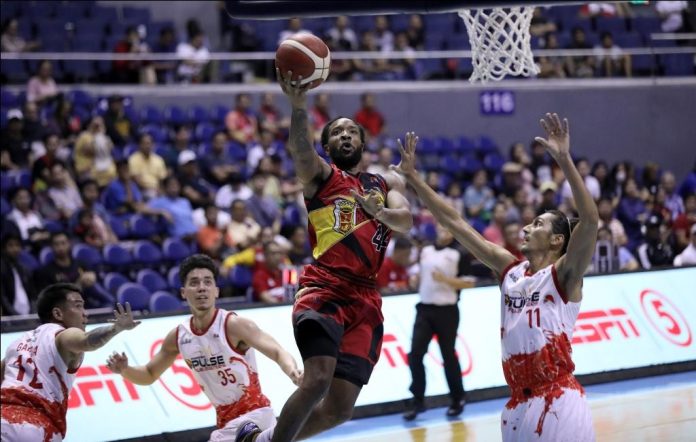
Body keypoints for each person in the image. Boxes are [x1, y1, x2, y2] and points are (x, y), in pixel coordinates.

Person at [393, 113, 597, 441]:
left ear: (558, 240)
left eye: (539, 224)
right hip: (517, 405)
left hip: (559, 398)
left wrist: (564, 160)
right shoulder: (510, 269)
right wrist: (415, 180)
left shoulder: (564, 275)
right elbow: (456, 223)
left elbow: (589, 222)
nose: (528, 228)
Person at [236, 68, 413, 442]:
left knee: (340, 409)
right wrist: (298, 106)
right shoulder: (322, 176)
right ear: (328, 147)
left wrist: (377, 210)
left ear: (363, 144)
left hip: (366, 299)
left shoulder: (385, 183)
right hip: (325, 289)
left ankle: (263, 440)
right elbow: (301, 150)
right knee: (316, 380)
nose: (345, 135)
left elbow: (406, 220)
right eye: (336, 133)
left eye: (351, 131)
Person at [105, 254, 302, 441]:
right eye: (194, 283)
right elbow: (148, 374)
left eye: (208, 282)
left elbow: (277, 351)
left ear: (216, 290)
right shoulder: (179, 337)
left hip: (256, 416)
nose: (202, 288)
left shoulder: (234, 325)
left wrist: (292, 371)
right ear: (183, 292)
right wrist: (124, 370)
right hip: (226, 422)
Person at [1, 283, 139, 441]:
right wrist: (116, 328)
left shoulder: (17, 344)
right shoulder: (62, 335)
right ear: (58, 314)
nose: (85, 314)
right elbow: (86, 341)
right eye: (78, 306)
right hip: (34, 427)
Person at [403, 223, 474, 421]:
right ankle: (417, 400)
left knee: (448, 356)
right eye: (442, 227)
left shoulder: (459, 253)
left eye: (448, 228)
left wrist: (445, 280)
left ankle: (457, 398)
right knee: (415, 354)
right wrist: (415, 280)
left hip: (447, 310)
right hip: (424, 309)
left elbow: (469, 282)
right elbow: (419, 274)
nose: (444, 230)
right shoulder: (425, 250)